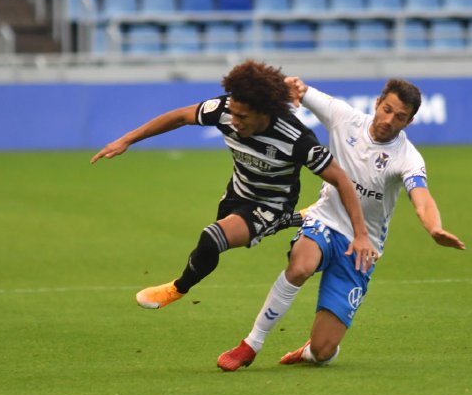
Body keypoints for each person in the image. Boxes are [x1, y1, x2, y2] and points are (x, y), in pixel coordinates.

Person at [217, 77, 465, 371]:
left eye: (399, 117)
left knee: (323, 351)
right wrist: (291, 86)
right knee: (300, 266)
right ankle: (251, 344)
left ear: (409, 122)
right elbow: (301, 89)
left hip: (362, 247)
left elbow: (421, 198)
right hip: (324, 219)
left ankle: (312, 351)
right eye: (386, 109)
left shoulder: (408, 157)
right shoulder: (344, 118)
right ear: (377, 102)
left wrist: (433, 227)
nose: (389, 120)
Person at [91, 60, 376, 309]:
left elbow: (341, 179)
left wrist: (361, 234)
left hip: (271, 204)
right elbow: (179, 116)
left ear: (264, 112)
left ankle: (178, 288)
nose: (234, 120)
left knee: (212, 238)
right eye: (233, 113)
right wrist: (127, 140)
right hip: (237, 193)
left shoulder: (296, 140)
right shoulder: (226, 109)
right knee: (211, 247)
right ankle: (296, 219)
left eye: (243, 116)